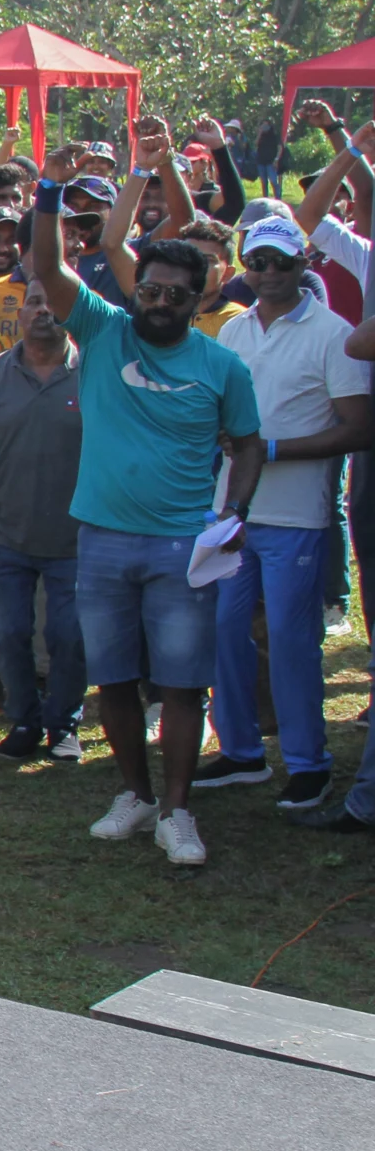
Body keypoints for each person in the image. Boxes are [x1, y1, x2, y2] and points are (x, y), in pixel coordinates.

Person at [33, 198, 263, 869]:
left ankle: (178, 809)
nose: (158, 301)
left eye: (174, 294)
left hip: (182, 545)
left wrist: (236, 511)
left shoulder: (224, 367)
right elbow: (46, 266)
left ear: (200, 298)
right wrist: (48, 200)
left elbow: (249, 446)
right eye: (150, 288)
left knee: (183, 684)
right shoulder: (105, 331)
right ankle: (134, 794)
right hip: (102, 538)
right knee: (115, 679)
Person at [198, 215, 367, 808]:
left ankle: (307, 761)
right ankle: (242, 752)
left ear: (304, 265)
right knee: (224, 635)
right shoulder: (236, 330)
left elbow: (359, 429)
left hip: (297, 517)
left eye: (281, 262)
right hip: (233, 513)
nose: (268, 273)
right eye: (258, 262)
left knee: (294, 644)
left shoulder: (334, 333)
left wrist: (270, 449)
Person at [0, 279, 88, 762]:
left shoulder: (94, 372)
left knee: (68, 636)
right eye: (34, 303)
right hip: (7, 532)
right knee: (7, 632)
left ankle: (64, 723)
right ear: (17, 315)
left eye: (54, 303)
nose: (44, 311)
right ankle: (24, 720)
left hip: (77, 535)